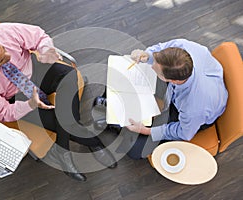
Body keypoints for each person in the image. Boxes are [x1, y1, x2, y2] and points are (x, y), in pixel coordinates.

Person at [0, 22, 117, 182]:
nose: (8, 57)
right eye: (2, 60)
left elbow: (38, 36)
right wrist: (30, 104)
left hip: (34, 69)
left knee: (69, 75)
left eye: (4, 50)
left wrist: (45, 51)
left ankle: (62, 149)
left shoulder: (1, 32)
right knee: (62, 121)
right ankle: (94, 143)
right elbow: (2, 112)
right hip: (19, 97)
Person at [94, 38, 228, 159]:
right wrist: (146, 54)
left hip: (193, 120)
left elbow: (184, 133)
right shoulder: (181, 47)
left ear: (172, 81)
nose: (152, 65)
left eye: (156, 68)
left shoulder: (194, 108)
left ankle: (119, 124)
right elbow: (158, 50)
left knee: (135, 151)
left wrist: (144, 130)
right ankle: (115, 111)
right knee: (122, 78)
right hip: (191, 93)